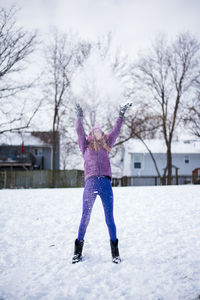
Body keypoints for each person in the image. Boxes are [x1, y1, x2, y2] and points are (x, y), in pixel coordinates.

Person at [72, 102, 132, 264]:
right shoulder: (85, 146)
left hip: (105, 184)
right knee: (85, 216)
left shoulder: (107, 146)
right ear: (91, 134)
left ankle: (115, 253)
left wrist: (121, 114)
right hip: (90, 184)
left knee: (109, 218)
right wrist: (79, 115)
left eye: (100, 131)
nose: (98, 133)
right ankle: (77, 252)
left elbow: (116, 131)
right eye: (94, 131)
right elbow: (79, 131)